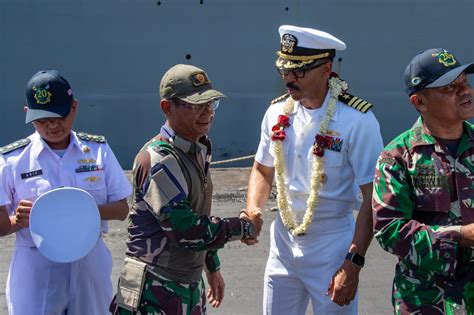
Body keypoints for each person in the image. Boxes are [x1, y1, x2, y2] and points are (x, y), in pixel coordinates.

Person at [244, 25, 384, 314]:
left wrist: (353, 263)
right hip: (283, 243)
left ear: (326, 69)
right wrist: (253, 208)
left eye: (299, 71)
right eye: (284, 70)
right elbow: (262, 169)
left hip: (332, 245)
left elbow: (373, 197)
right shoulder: (276, 113)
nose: (289, 79)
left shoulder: (357, 120)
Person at [110, 64, 263, 315]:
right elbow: (186, 230)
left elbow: (198, 211)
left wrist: (211, 266)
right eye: (195, 105)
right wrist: (243, 226)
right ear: (167, 107)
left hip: (185, 286)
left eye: (210, 104)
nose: (207, 112)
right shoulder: (159, 160)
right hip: (153, 289)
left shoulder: (195, 150)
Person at [0, 70, 132, 315]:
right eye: (42, 119)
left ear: (74, 107)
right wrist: (17, 221)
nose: (52, 125)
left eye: (59, 115)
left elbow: (122, 209)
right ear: (28, 114)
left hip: (89, 263)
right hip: (36, 267)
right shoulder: (12, 160)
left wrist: (78, 210)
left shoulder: (97, 151)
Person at [373, 48, 474, 314]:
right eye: (450, 87)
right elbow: (389, 230)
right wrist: (460, 237)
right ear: (419, 103)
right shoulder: (397, 156)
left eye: (465, 82)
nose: (464, 91)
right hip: (426, 299)